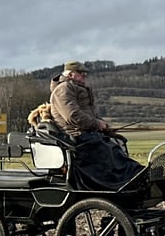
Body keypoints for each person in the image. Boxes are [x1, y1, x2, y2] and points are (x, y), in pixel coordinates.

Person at [48, 60, 144, 190]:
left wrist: (103, 125)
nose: (85, 75)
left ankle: (134, 175)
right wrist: (96, 124)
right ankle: (129, 178)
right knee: (107, 149)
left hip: (86, 133)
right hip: (75, 137)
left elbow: (89, 115)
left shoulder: (75, 88)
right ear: (71, 75)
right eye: (81, 73)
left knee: (116, 143)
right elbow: (73, 116)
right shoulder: (64, 89)